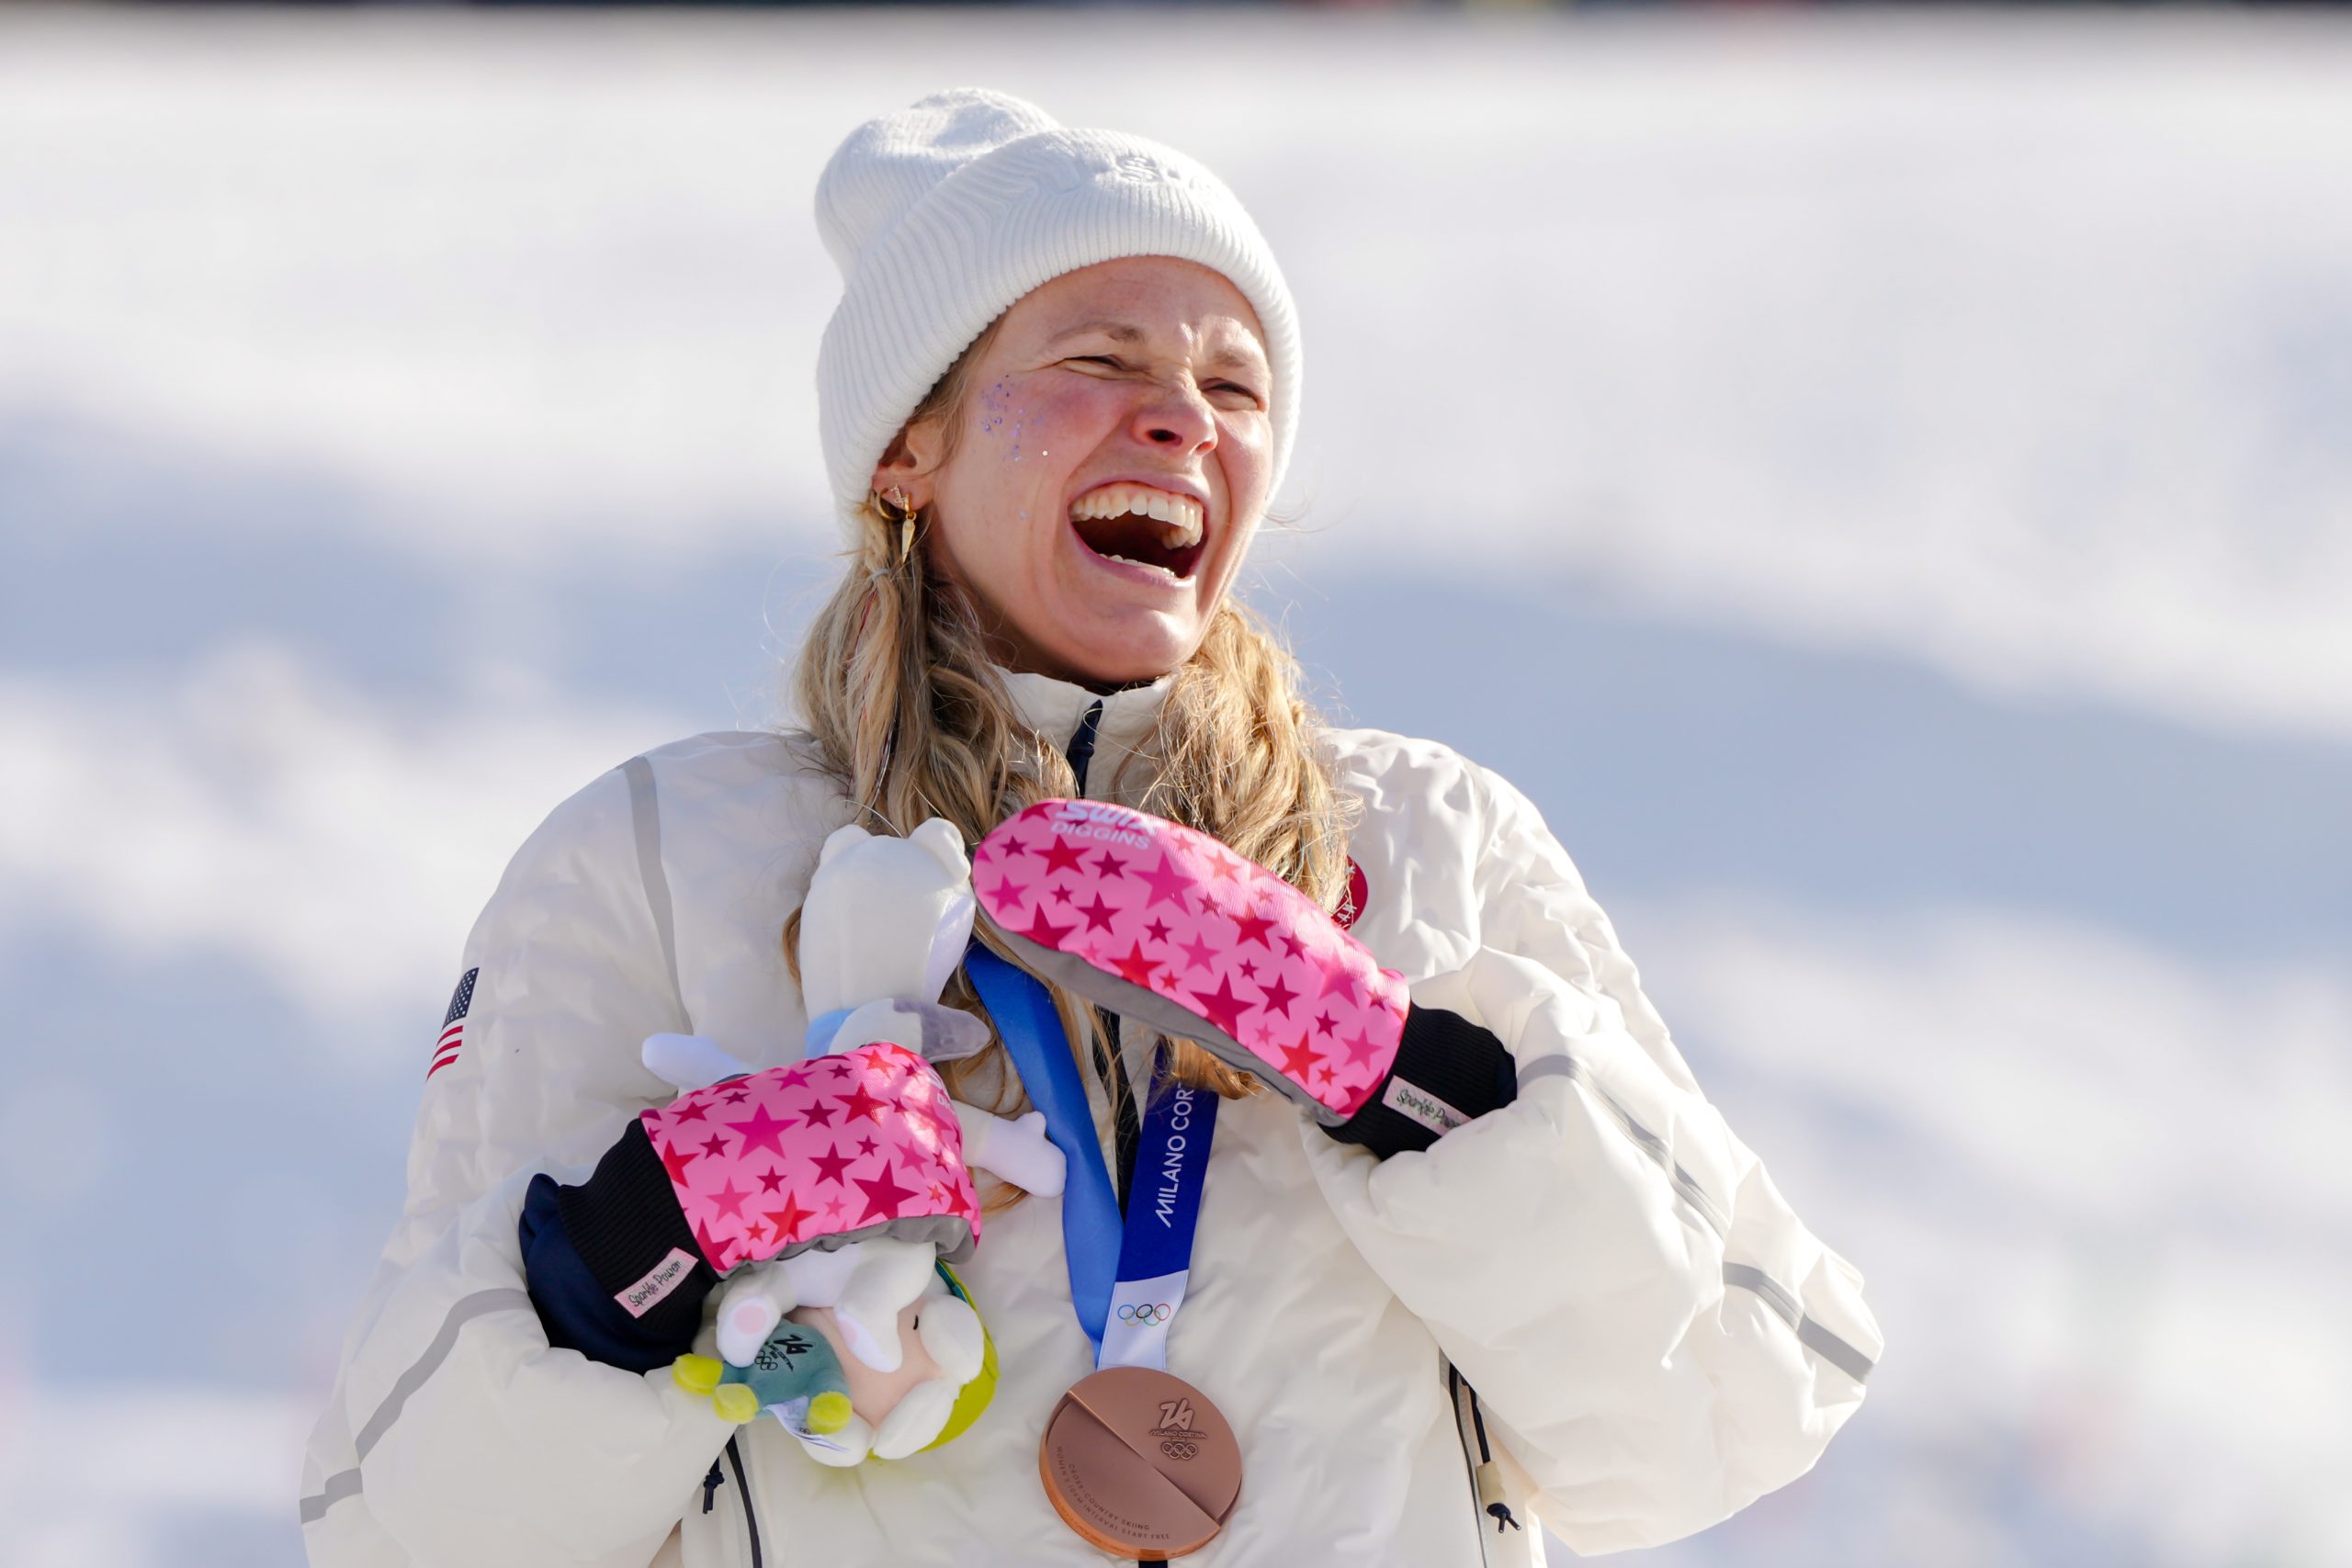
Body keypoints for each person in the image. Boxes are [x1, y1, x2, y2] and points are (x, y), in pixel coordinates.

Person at [300, 88, 1881, 1568]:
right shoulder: (660, 856)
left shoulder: (1428, 839)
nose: (1183, 419)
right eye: (1105, 361)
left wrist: (1408, 1079)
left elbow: (1729, 1413)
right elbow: (398, 1527)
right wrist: (635, 1249)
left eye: (1234, 384)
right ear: (906, 449)